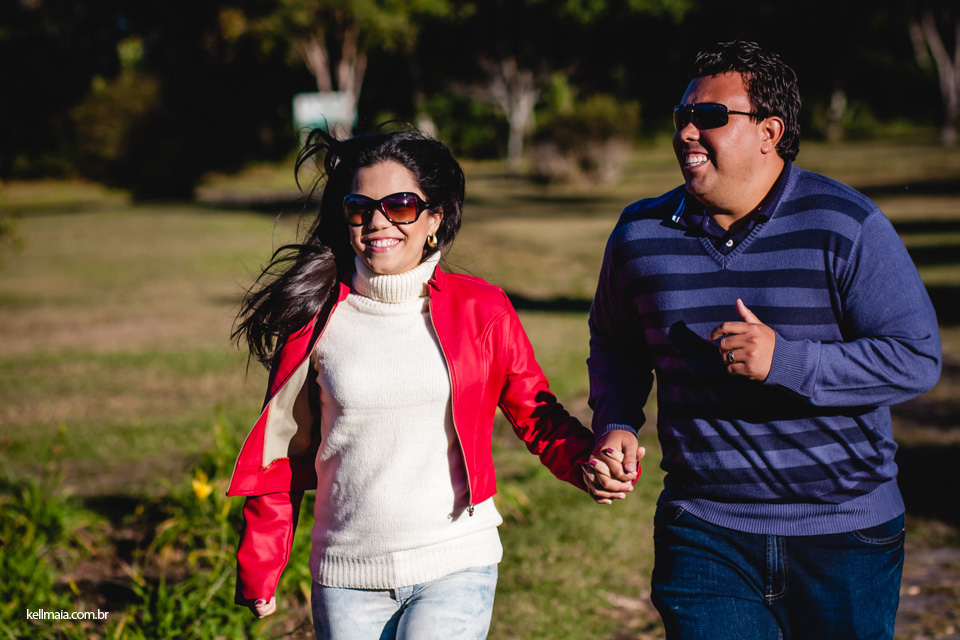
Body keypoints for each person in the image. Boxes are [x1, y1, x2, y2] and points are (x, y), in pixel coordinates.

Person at [587, 41, 941, 640]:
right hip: (705, 530)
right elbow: (615, 342)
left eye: (710, 116)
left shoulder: (846, 225)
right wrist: (616, 421)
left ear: (769, 132)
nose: (687, 131)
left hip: (845, 535)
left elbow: (917, 358)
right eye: (682, 116)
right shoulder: (639, 234)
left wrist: (788, 361)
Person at [227, 126, 628, 640]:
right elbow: (280, 451)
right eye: (360, 208)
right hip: (347, 576)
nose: (377, 222)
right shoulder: (315, 320)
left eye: (399, 206)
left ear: (435, 218)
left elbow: (536, 412)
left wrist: (589, 463)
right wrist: (261, 563)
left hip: (456, 562)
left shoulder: (481, 309)